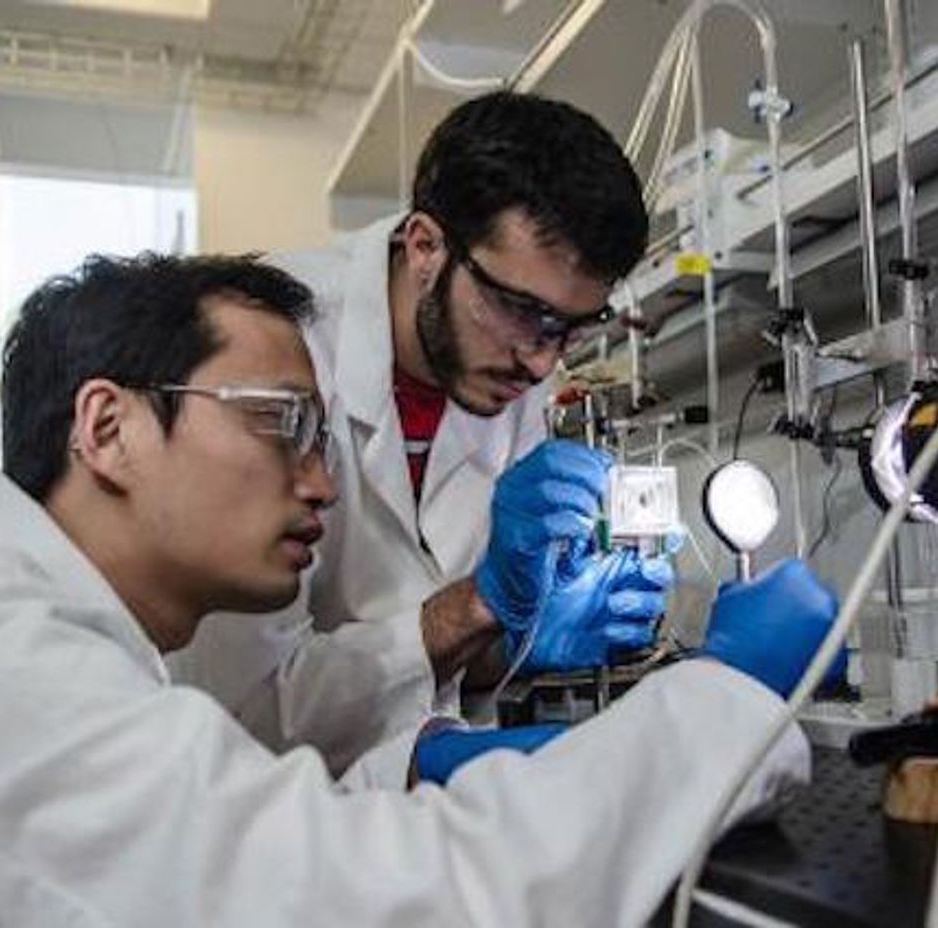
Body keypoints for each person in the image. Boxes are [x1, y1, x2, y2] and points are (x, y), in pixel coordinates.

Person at [0, 252, 840, 925]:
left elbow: (219, 831)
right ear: (107, 428)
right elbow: (357, 904)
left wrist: (424, 765)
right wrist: (720, 699)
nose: (321, 479)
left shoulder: (18, 620)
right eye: (281, 420)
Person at [172, 90, 658, 772]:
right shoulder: (270, 344)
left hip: (412, 813)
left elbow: (449, 667)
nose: (545, 360)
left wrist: (523, 635)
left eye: (573, 327)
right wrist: (476, 607)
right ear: (425, 246)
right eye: (521, 310)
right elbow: (243, 704)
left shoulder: (516, 368)